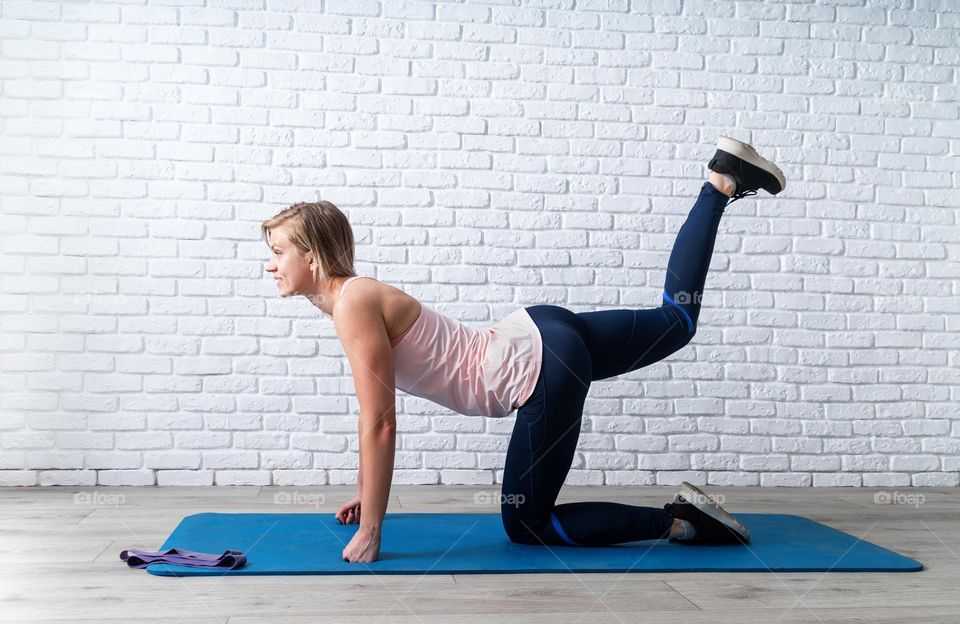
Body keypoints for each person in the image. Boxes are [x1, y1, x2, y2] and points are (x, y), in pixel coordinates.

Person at [261, 135, 786, 563]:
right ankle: (721, 181)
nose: (271, 264)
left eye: (279, 251)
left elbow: (379, 421)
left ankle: (681, 520)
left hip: (539, 367)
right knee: (676, 320)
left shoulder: (352, 303)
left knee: (526, 526)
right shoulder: (354, 299)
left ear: (314, 257)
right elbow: (376, 420)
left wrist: (373, 527)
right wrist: (367, 491)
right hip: (540, 330)